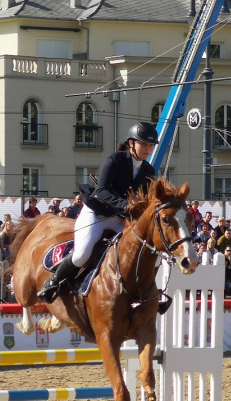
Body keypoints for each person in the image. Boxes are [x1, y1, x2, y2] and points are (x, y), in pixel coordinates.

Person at [39, 122, 158, 302]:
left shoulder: (149, 170)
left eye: (151, 146)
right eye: (145, 144)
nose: (148, 149)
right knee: (82, 255)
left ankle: (148, 293)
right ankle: (53, 282)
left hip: (120, 220)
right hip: (97, 214)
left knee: (141, 251)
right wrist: (125, 205)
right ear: (132, 143)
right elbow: (101, 190)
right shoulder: (116, 160)